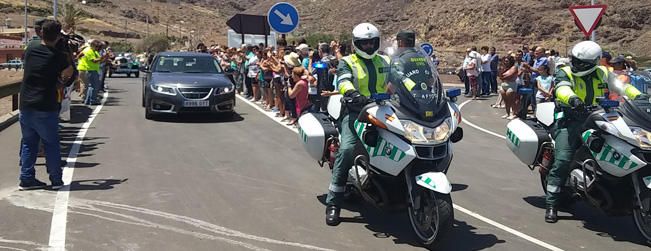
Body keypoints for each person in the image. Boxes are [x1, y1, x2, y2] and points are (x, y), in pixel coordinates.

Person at [544, 41, 647, 223]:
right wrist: (573, 99)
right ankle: (552, 204)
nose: (577, 65)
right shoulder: (565, 71)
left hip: (599, 116)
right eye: (575, 60)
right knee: (563, 159)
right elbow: (562, 89)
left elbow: (621, 87)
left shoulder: (603, 72)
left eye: (582, 63)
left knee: (625, 144)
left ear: (594, 62)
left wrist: (639, 96)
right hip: (570, 118)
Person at [325, 22, 390, 226]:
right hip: (356, 111)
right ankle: (333, 202)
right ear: (356, 43)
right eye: (365, 43)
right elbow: (343, 81)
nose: (369, 46)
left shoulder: (386, 60)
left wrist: (418, 89)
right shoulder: (348, 61)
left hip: (384, 110)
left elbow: (401, 79)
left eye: (372, 42)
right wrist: (352, 94)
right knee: (347, 149)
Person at [19, 20, 74, 190]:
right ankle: (56, 179)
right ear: (58, 36)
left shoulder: (30, 50)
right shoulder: (58, 57)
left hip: (26, 104)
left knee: (29, 142)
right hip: (46, 105)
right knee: (51, 143)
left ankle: (26, 178)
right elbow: (69, 75)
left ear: (41, 33)